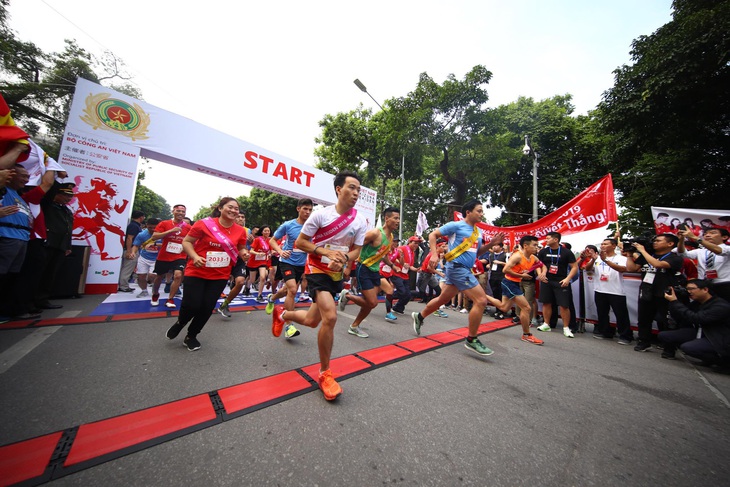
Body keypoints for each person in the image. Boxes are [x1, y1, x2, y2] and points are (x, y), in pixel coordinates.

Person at [271, 171, 367, 401]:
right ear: (338, 189)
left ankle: (282, 315)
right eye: (351, 188)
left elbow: (357, 251)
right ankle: (325, 373)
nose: (355, 193)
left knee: (312, 321)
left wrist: (345, 258)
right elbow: (301, 243)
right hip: (315, 270)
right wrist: (325, 251)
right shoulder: (320, 216)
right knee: (331, 318)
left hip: (335, 274)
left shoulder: (360, 220)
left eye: (358, 190)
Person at [411, 199, 504, 356]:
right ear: (468, 212)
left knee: (442, 299)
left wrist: (491, 244)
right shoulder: (456, 225)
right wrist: (434, 254)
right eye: (479, 211)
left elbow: (477, 253)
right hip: (457, 268)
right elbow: (433, 235)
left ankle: (419, 316)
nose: (482, 214)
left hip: (464, 269)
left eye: (482, 211)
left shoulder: (478, 232)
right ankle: (472, 339)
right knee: (481, 301)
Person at [165, 198, 248, 351]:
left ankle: (192, 335)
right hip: (197, 271)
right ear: (221, 208)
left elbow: (241, 247)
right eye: (230, 207)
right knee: (192, 304)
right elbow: (187, 242)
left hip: (220, 275)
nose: (234, 211)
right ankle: (180, 323)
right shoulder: (204, 224)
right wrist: (195, 256)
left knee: (207, 307)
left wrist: (244, 253)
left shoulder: (240, 230)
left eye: (236, 209)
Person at [337, 206, 400, 338]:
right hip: (363, 268)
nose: (398, 221)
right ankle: (347, 296)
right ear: (386, 218)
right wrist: (348, 266)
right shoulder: (375, 233)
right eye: (395, 218)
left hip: (375, 271)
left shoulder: (391, 237)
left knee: (369, 303)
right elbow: (355, 246)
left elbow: (383, 254)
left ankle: (354, 326)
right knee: (372, 302)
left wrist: (392, 265)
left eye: (399, 218)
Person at [264, 198, 314, 339]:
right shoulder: (288, 225)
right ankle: (289, 326)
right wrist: (280, 251)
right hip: (287, 261)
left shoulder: (313, 226)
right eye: (305, 209)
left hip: (301, 264)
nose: (308, 212)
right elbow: (273, 240)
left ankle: (272, 298)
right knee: (292, 289)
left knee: (286, 290)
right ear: (298, 209)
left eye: (310, 210)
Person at [626, 233, 684, 352]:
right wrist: (629, 255)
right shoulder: (649, 255)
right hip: (647, 290)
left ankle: (669, 348)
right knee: (644, 318)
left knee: (667, 321)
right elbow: (631, 269)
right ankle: (644, 341)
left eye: (658, 241)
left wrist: (643, 251)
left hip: (665, 293)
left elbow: (658, 264)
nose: (654, 243)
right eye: (654, 241)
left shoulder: (675, 257)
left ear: (670, 244)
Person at [659, 279, 730, 363]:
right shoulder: (697, 303)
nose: (689, 292)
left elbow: (696, 318)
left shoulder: (720, 306)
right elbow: (681, 317)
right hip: (701, 332)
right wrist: (676, 301)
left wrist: (675, 302)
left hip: (718, 338)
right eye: (687, 289)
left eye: (692, 289)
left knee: (688, 348)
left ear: (705, 289)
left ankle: (723, 362)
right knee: (664, 336)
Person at [34, 181, 75, 312]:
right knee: (38, 273)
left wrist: (68, 246)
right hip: (47, 244)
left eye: (70, 196)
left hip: (60, 246)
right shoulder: (47, 206)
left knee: (50, 274)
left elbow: (68, 230)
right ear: (56, 194)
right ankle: (30, 301)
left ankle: (42, 299)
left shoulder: (66, 210)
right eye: (65, 195)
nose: (68, 198)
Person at [585, 238, 633, 344]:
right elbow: (587, 269)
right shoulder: (597, 258)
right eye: (602, 244)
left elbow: (622, 269)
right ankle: (605, 332)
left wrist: (606, 260)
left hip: (616, 291)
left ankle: (625, 336)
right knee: (602, 313)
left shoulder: (621, 258)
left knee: (621, 315)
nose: (602, 245)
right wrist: (593, 259)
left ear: (613, 246)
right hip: (600, 290)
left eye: (605, 244)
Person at [536, 232, 578, 338]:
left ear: (556, 240)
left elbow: (574, 267)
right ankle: (546, 324)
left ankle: (566, 328)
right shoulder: (543, 251)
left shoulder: (566, 252)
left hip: (561, 281)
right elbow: (537, 264)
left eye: (548, 238)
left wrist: (568, 279)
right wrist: (540, 274)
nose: (546, 240)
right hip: (547, 280)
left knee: (564, 305)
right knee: (546, 302)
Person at [149, 205, 190, 308]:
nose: (180, 213)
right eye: (178, 211)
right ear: (173, 211)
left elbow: (192, 240)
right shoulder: (164, 223)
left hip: (180, 255)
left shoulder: (188, 227)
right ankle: (155, 294)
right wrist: (170, 231)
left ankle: (170, 299)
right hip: (164, 256)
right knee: (159, 277)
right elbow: (154, 237)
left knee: (178, 275)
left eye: (183, 211)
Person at [678, 227, 730, 301]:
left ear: (724, 237)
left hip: (724, 284)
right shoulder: (701, 251)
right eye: (705, 234)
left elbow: (719, 251)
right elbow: (682, 254)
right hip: (703, 285)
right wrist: (681, 239)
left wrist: (694, 237)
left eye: (712, 233)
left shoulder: (728, 248)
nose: (707, 235)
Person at [217, 212, 249, 317]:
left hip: (238, 260)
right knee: (217, 284)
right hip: (223, 259)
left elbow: (244, 247)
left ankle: (225, 304)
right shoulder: (222, 228)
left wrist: (245, 253)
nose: (240, 219)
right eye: (238, 216)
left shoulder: (246, 231)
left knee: (240, 282)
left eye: (242, 217)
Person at [390, 236, 421, 315]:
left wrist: (416, 269)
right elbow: (394, 257)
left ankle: (398, 308)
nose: (416, 245)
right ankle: (389, 294)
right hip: (396, 273)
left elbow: (410, 266)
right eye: (415, 243)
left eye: (418, 244)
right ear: (409, 242)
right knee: (402, 292)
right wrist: (402, 263)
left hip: (405, 275)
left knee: (408, 295)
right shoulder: (402, 248)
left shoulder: (412, 253)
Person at [131, 218, 161, 298]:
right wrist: (133, 252)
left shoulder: (162, 235)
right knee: (141, 276)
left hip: (157, 259)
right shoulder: (141, 234)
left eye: (154, 227)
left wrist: (155, 245)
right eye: (150, 227)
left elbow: (167, 245)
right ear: (146, 225)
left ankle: (154, 288)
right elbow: (136, 245)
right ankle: (144, 291)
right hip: (144, 258)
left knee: (152, 276)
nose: (152, 229)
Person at [118, 210, 145, 292]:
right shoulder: (134, 226)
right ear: (141, 217)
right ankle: (123, 286)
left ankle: (123, 284)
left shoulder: (134, 225)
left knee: (126, 268)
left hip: (131, 249)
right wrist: (129, 251)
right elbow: (130, 238)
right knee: (127, 268)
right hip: (131, 249)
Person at [245, 225, 272, 303]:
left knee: (263, 277)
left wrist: (272, 253)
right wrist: (258, 253)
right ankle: (247, 287)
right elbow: (251, 251)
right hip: (253, 261)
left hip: (263, 262)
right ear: (262, 232)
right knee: (252, 279)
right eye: (265, 231)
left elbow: (271, 251)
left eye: (268, 231)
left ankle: (259, 295)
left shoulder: (270, 240)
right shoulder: (257, 240)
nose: (267, 232)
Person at [487, 243, 507, 319]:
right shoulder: (491, 255)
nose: (494, 247)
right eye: (493, 245)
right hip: (493, 276)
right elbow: (490, 264)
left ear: (501, 247)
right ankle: (497, 310)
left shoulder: (505, 255)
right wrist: (489, 266)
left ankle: (502, 311)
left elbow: (509, 264)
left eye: (496, 246)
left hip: (502, 276)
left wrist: (501, 263)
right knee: (495, 294)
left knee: (501, 294)